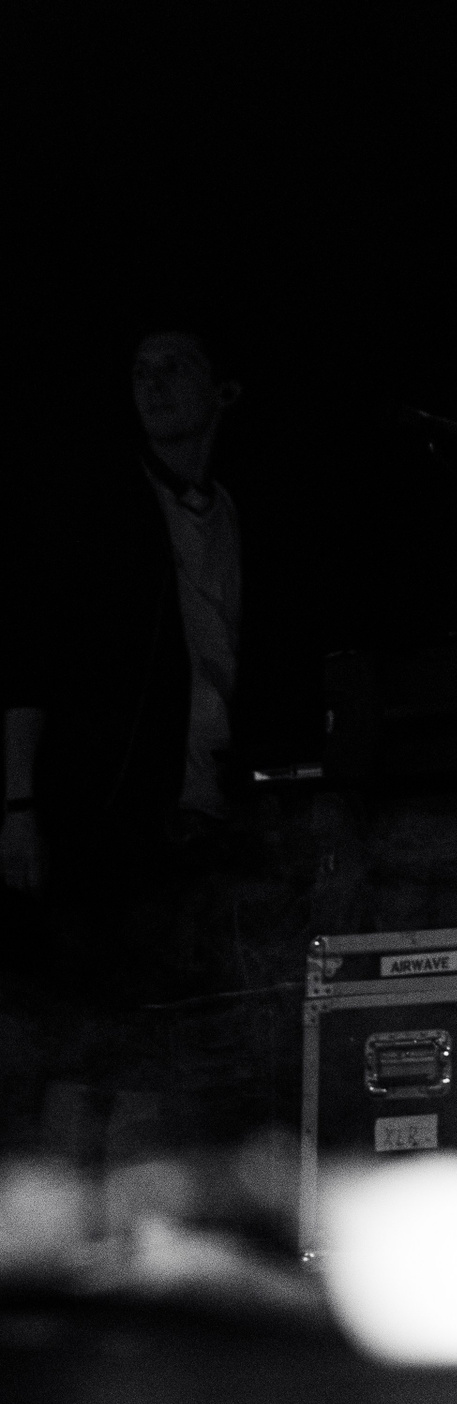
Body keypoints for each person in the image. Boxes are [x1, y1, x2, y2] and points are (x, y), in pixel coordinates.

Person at [2, 325, 247, 1148]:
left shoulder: (231, 516)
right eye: (141, 369)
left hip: (200, 814)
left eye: (176, 365)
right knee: (90, 1034)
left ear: (223, 389)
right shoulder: (99, 507)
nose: (154, 382)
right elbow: (32, 659)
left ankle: (153, 1200)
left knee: (180, 1037)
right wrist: (20, 805)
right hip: (106, 813)